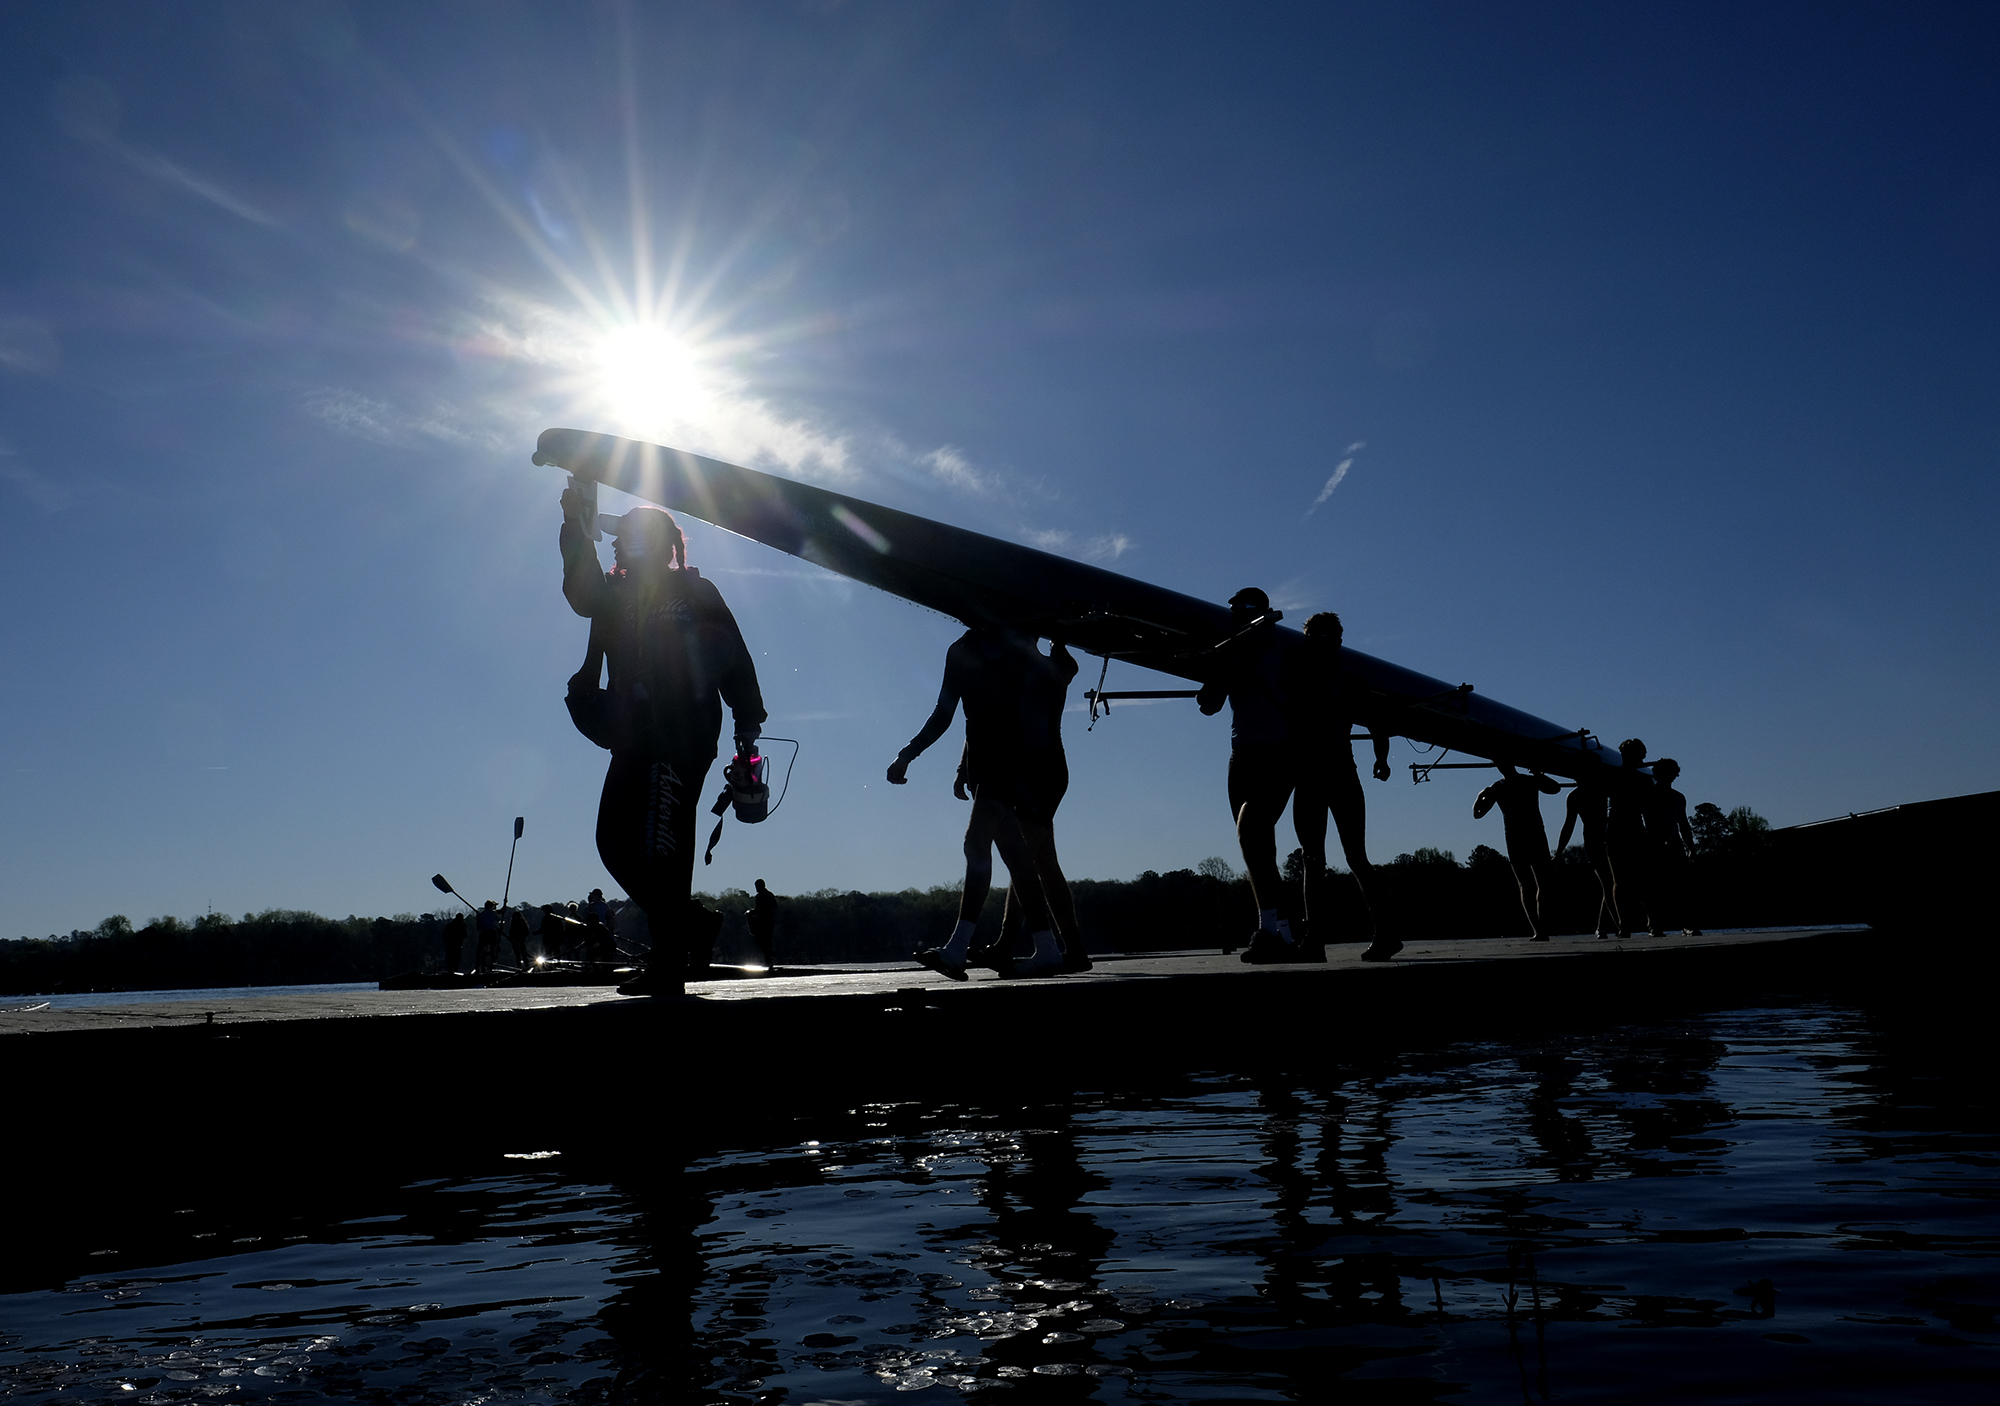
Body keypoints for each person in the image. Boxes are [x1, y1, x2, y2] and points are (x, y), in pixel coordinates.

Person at [559, 491, 767, 995]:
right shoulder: (610, 595)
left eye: (628, 535)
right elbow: (579, 592)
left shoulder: (694, 592)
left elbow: (732, 652)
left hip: (684, 732)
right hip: (632, 735)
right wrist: (573, 520)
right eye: (614, 538)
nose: (617, 545)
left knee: (661, 844)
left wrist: (747, 718)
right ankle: (688, 924)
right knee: (612, 840)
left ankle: (669, 960)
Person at [887, 625, 1062, 981]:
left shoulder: (1021, 643)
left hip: (1015, 758)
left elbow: (1052, 680)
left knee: (975, 842)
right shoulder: (960, 650)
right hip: (984, 761)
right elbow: (944, 713)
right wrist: (909, 754)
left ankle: (956, 949)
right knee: (1016, 855)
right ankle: (1047, 949)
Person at [1197, 587, 1317, 963]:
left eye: (1247, 609)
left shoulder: (1287, 651)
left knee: (1251, 830)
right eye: (1235, 609)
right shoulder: (1231, 649)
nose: (1239, 614)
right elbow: (1209, 705)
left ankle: (1267, 929)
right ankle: (1282, 933)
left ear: (1263, 611)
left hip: (1280, 756)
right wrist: (1224, 667)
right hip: (1241, 756)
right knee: (1257, 849)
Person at [973, 634, 1090, 975]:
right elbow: (984, 725)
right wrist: (962, 767)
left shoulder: (1048, 666)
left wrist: (1060, 637)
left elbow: (1068, 666)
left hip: (1044, 772)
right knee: (1043, 864)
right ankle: (1076, 950)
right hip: (1026, 775)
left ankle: (1006, 943)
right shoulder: (1011, 671)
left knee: (1021, 856)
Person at [1286, 612, 1398, 960]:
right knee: (1312, 858)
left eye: (1325, 636)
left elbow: (1377, 723)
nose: (1317, 642)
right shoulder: (1295, 677)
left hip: (1338, 774)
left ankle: (1384, 933)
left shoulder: (1348, 682)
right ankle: (1314, 939)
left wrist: (1382, 759)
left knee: (1354, 856)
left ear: (1336, 641)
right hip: (1309, 777)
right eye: (1312, 636)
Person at [1473, 762, 1563, 939]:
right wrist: (1480, 796)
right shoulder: (1498, 787)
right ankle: (1538, 929)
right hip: (1518, 837)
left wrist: (1538, 775)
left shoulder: (1526, 781)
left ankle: (1541, 928)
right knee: (1527, 884)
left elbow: (1555, 788)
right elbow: (1478, 813)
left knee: (1541, 882)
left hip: (1533, 834)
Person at [1554, 751, 1619, 939]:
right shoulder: (1575, 796)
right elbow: (1568, 825)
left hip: (1609, 838)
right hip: (1593, 840)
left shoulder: (1604, 788)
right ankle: (1619, 925)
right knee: (1608, 883)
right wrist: (1559, 851)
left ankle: (1603, 926)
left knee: (1613, 884)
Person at [1605, 738, 1662, 938]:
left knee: (1636, 880)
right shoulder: (1623, 778)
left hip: (1626, 828)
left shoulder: (1624, 778)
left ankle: (1635, 925)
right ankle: (1641, 924)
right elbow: (1649, 812)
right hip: (1621, 829)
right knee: (1630, 880)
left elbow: (1649, 811)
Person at [1646, 759, 1702, 936]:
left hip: (1675, 842)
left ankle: (1686, 924)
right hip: (1653, 843)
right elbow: (1646, 819)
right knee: (1654, 886)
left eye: (1672, 774)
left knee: (1682, 885)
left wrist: (1690, 847)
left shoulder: (1678, 797)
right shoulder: (1648, 795)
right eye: (1666, 773)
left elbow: (1683, 824)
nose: (1670, 777)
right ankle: (1654, 924)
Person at [747, 879, 779, 973]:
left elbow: (758, 909)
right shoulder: (770, 895)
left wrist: (750, 912)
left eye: (756, 887)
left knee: (758, 941)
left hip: (763, 923)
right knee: (768, 941)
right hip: (771, 922)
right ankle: (769, 961)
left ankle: (770, 955)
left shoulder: (760, 896)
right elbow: (775, 907)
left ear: (759, 886)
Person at [475, 899, 502, 974]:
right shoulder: (493, 913)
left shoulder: (480, 915)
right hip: (492, 933)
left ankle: (478, 967)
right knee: (493, 952)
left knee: (480, 952)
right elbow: (499, 919)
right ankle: (493, 967)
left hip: (484, 933)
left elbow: (478, 928)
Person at [507, 904, 533, 969]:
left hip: (521, 941)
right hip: (515, 941)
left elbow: (526, 931)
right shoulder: (513, 923)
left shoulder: (522, 922)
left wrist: (522, 937)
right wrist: (512, 939)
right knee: (517, 955)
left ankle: (527, 966)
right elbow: (511, 932)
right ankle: (519, 967)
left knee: (523, 954)